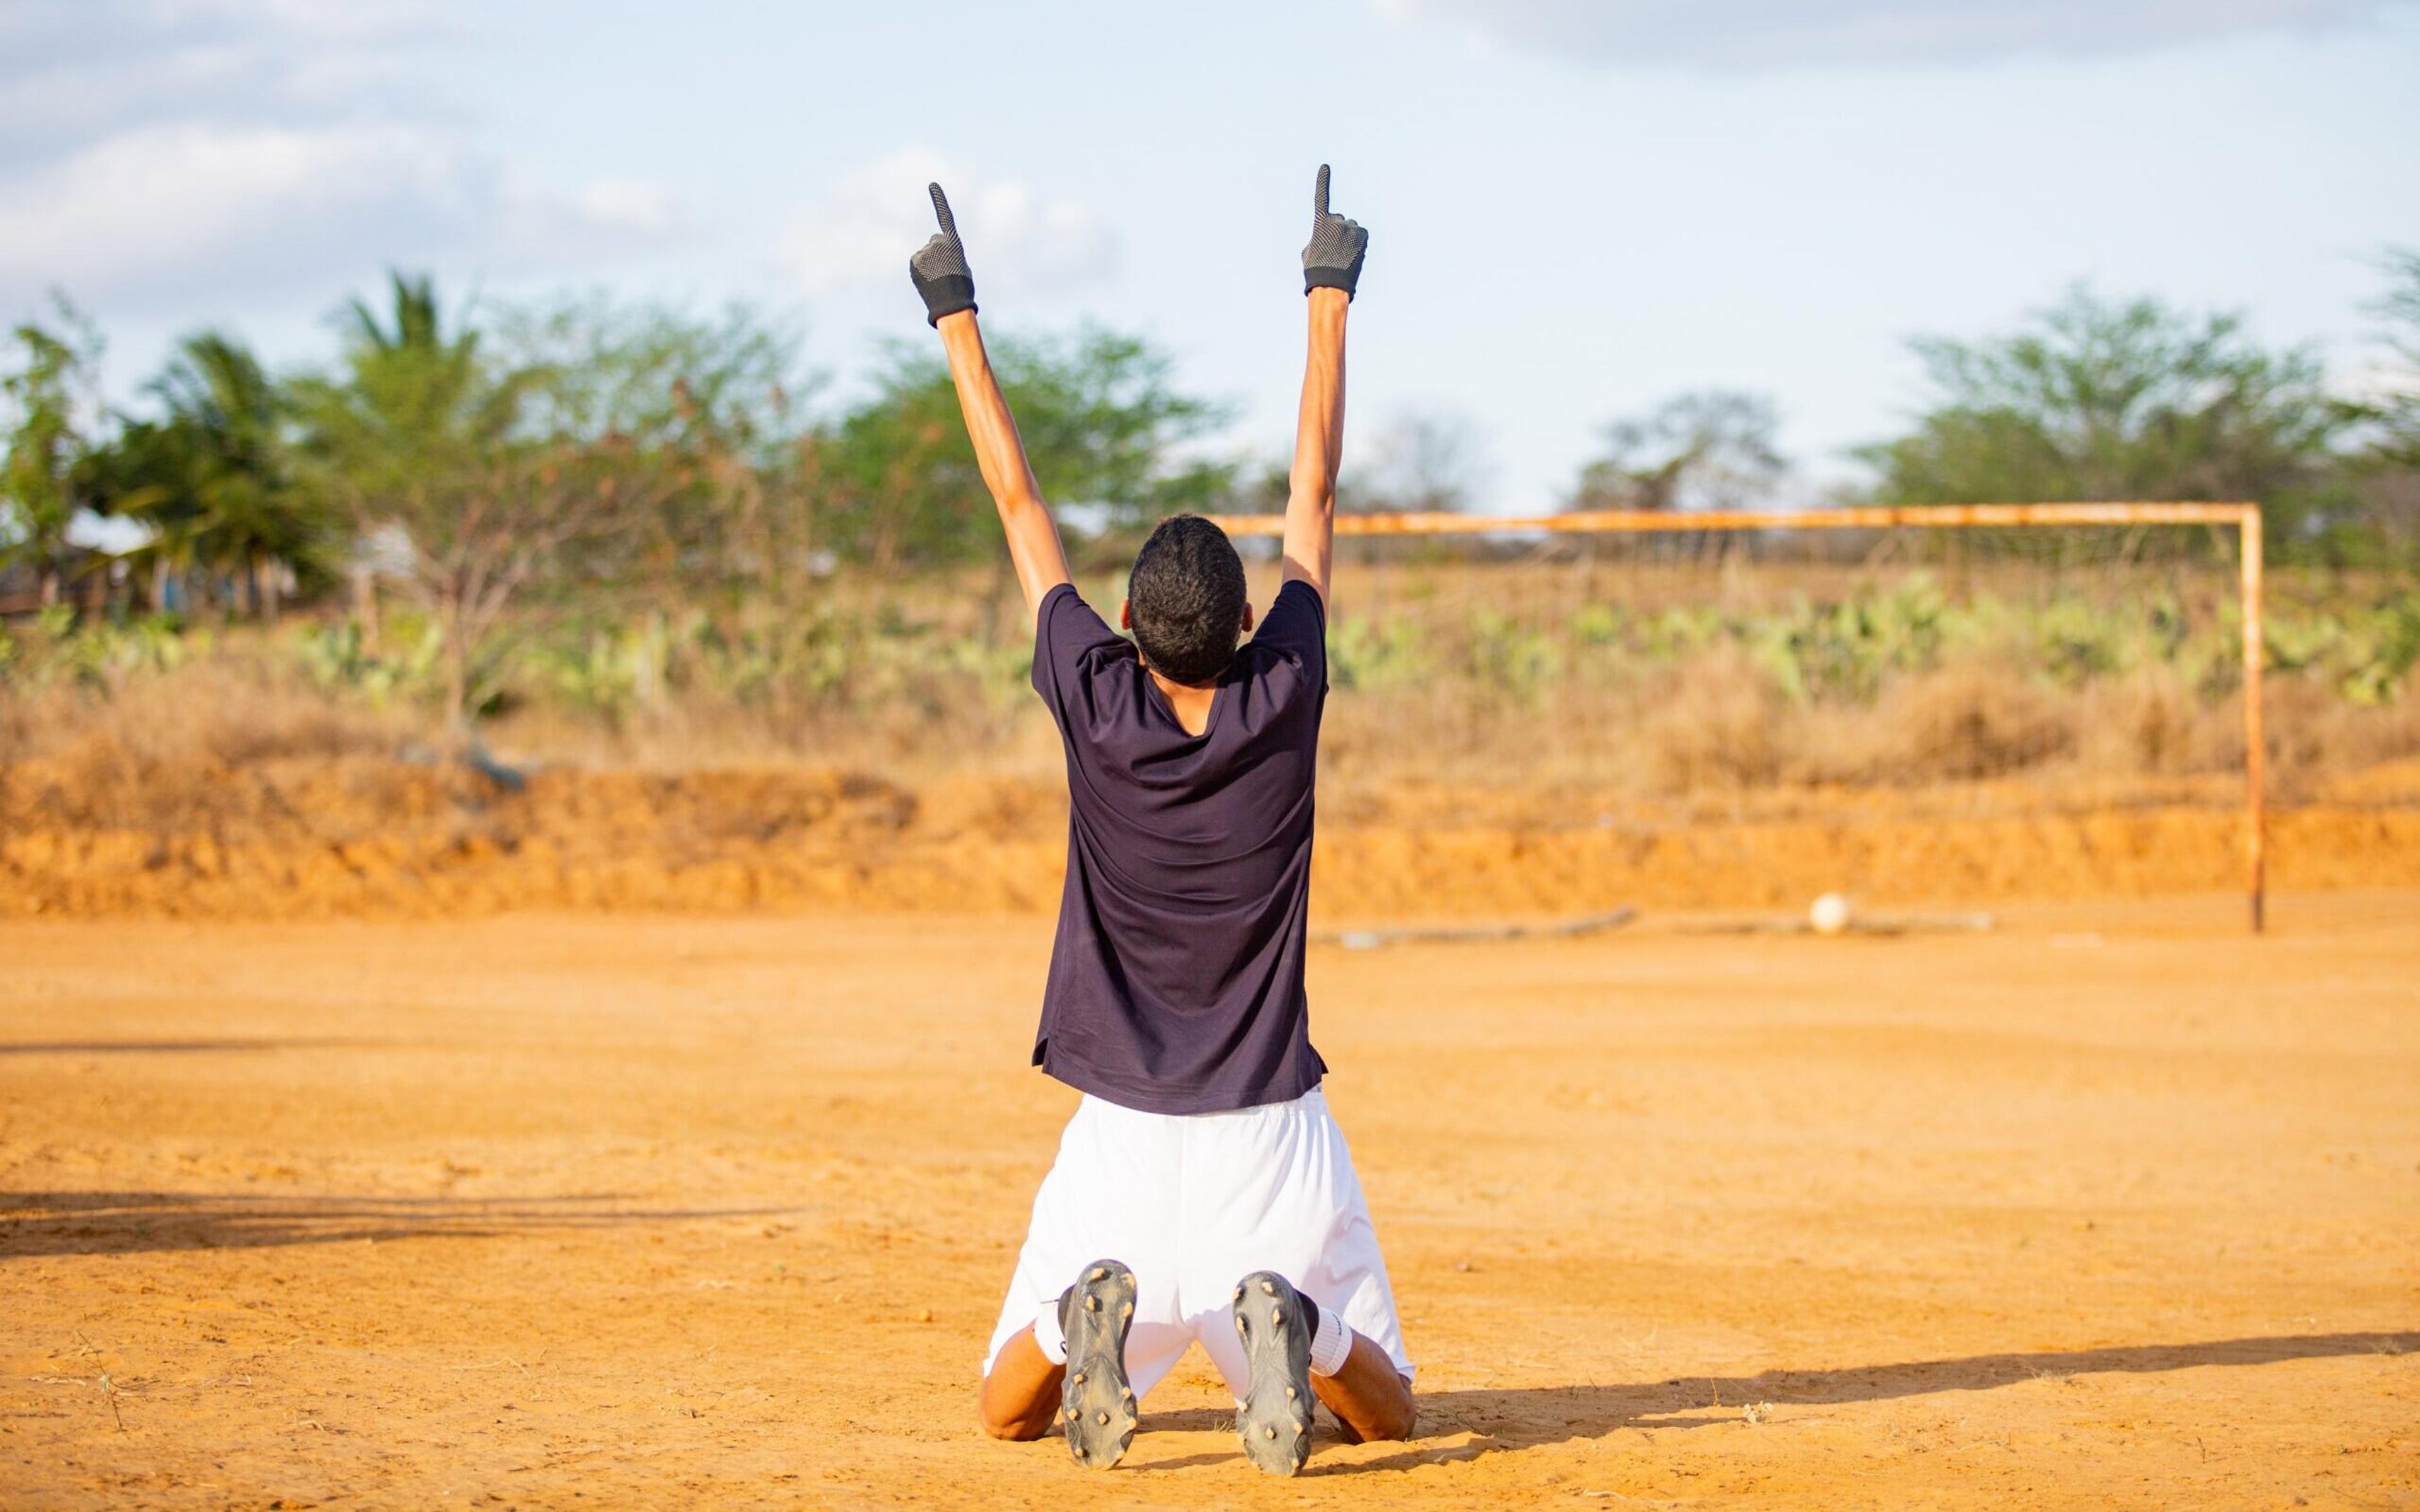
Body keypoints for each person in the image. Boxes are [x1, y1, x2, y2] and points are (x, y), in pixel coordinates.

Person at [909, 165, 1415, 1477]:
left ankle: (1084, 1312)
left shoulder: (1093, 700)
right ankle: (1300, 1322)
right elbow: (1315, 495)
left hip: (1120, 1141)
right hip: (1271, 1132)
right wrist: (1327, 295)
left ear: (1126, 631)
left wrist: (955, 308)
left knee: (1000, 1412)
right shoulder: (1286, 693)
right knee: (1392, 1409)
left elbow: (1019, 505)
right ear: (1248, 630)